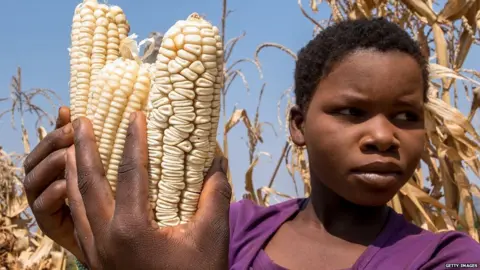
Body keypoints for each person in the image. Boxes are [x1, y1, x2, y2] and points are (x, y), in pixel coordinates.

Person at [22, 18, 480, 270]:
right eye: (352, 112)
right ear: (297, 125)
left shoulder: (447, 259)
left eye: (407, 117)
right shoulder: (224, 227)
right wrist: (89, 251)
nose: (383, 137)